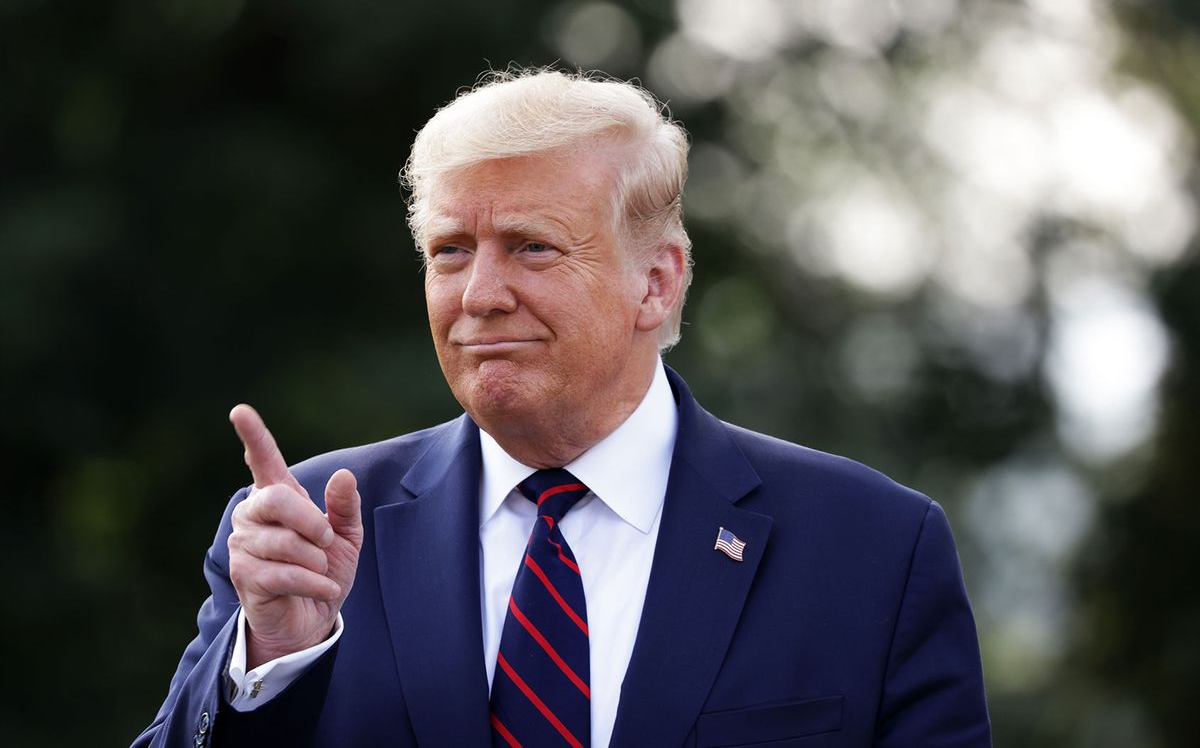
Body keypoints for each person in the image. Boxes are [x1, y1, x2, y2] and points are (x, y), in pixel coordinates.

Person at [134, 69, 991, 748]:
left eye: (531, 247)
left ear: (655, 282)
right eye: (449, 251)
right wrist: (273, 660)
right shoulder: (303, 534)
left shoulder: (870, 548)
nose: (479, 294)